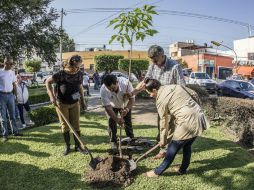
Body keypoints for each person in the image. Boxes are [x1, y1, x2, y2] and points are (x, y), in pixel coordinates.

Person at [137, 78, 209, 177]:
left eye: (150, 93)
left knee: (172, 147)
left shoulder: (160, 100)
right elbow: (194, 94)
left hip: (187, 121)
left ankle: (157, 172)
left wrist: (163, 140)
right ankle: (182, 169)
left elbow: (163, 123)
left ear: (154, 90)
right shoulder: (174, 86)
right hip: (199, 116)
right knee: (187, 145)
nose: (150, 95)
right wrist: (196, 108)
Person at [140, 45, 186, 159]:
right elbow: (144, 82)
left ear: (162, 55)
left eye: (155, 60)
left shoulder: (175, 67)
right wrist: (133, 92)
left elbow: (182, 87)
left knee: (168, 126)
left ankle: (164, 150)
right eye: (151, 60)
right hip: (160, 102)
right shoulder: (152, 66)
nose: (153, 62)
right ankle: (161, 144)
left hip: (172, 102)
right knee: (160, 123)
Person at [46, 55, 87, 156]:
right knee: (65, 126)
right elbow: (47, 82)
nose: (78, 69)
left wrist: (83, 100)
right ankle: (67, 146)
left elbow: (80, 87)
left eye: (79, 67)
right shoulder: (60, 74)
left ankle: (78, 146)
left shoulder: (79, 74)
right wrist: (51, 97)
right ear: (70, 65)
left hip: (75, 103)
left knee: (76, 124)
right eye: (76, 67)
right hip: (62, 103)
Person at [100, 74, 135, 150]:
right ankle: (113, 141)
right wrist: (117, 119)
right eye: (110, 89)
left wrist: (127, 109)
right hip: (112, 106)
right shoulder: (103, 90)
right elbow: (108, 107)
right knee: (111, 122)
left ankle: (131, 139)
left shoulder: (126, 84)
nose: (112, 90)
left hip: (125, 105)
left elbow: (132, 99)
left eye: (113, 88)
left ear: (117, 82)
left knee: (127, 122)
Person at [0, 57, 23, 142]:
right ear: (5, 63)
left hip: (10, 95)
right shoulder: (0, 72)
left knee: (13, 116)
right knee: (3, 117)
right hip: (1, 96)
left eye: (12, 63)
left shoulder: (12, 72)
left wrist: (16, 96)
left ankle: (15, 131)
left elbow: (14, 85)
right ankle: (5, 135)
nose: (12, 65)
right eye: (11, 63)